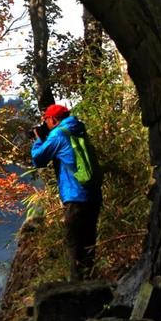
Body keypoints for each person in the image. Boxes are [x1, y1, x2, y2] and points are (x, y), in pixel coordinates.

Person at [31, 104, 102, 281]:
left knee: (74, 244)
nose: (45, 123)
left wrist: (38, 139)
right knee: (89, 242)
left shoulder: (58, 134)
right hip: (93, 195)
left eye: (45, 120)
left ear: (53, 119)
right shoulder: (78, 129)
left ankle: (77, 285)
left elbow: (38, 159)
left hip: (75, 197)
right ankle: (90, 280)